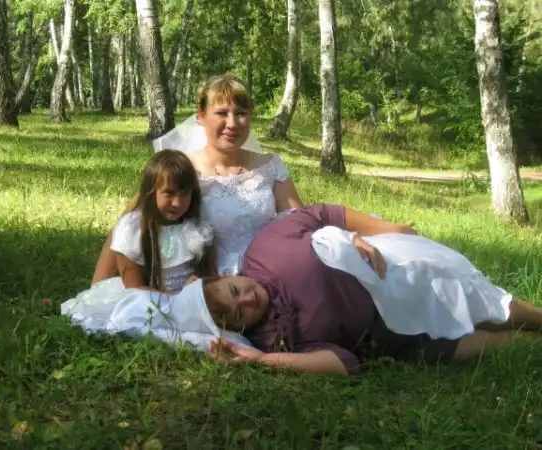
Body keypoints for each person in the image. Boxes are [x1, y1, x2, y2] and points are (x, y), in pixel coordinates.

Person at [200, 204, 542, 376]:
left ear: (230, 275)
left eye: (236, 289)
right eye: (240, 312)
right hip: (393, 336)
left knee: (489, 305)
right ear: (240, 328)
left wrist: (380, 229)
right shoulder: (273, 339)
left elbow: (323, 213)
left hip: (399, 274)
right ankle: (531, 340)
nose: (249, 298)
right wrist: (264, 360)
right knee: (467, 343)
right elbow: (343, 362)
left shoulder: (263, 251)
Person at [92, 73, 304, 283]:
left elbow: (300, 225)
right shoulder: (181, 170)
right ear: (201, 116)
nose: (232, 123)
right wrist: (98, 287)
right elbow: (129, 224)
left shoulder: (270, 166)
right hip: (203, 284)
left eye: (241, 113)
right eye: (221, 113)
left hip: (265, 279)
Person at [106, 149, 215, 294]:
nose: (177, 203)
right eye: (169, 193)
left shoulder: (197, 229)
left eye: (184, 193)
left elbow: (208, 277)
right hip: (147, 302)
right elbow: (134, 288)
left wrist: (197, 287)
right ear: (151, 192)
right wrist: (178, 298)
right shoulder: (132, 230)